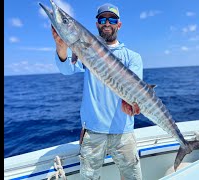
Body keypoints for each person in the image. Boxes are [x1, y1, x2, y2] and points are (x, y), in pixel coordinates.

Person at [51, 3, 143, 180]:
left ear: (119, 24)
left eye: (112, 19)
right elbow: (66, 69)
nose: (107, 23)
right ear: (97, 24)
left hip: (123, 131)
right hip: (92, 132)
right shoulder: (85, 50)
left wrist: (131, 103)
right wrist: (61, 47)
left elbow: (134, 89)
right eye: (102, 19)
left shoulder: (132, 57)